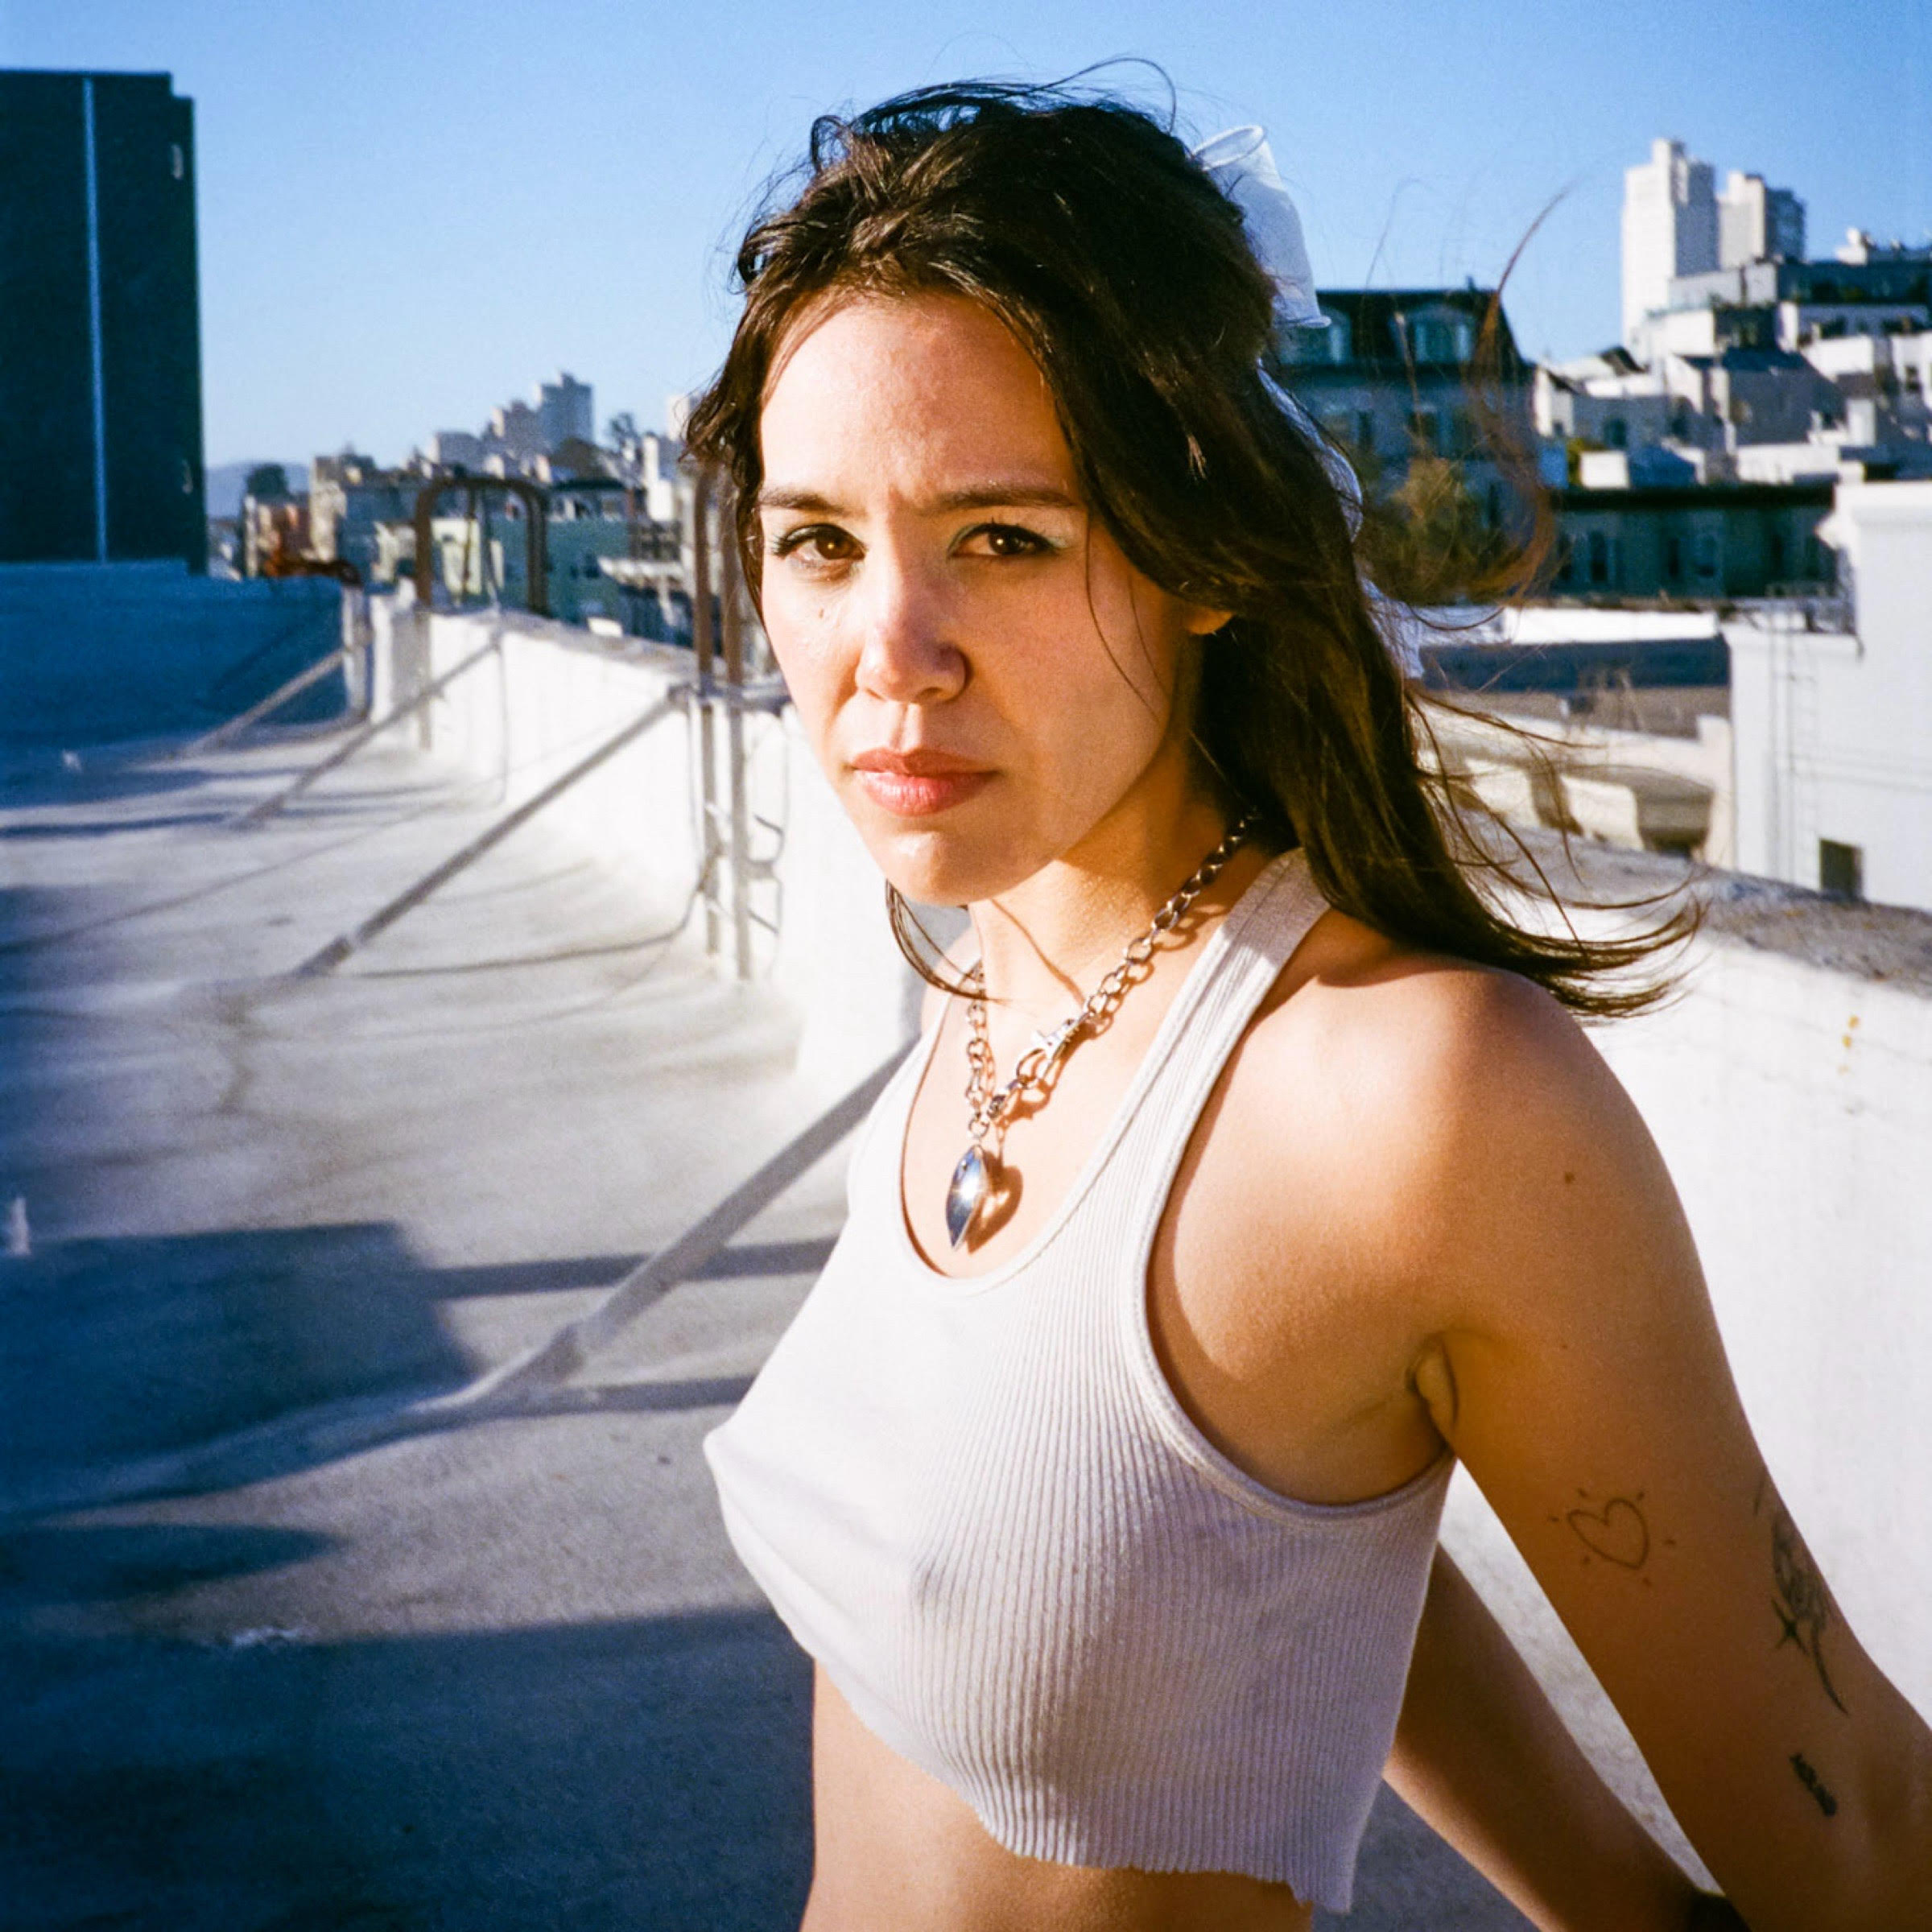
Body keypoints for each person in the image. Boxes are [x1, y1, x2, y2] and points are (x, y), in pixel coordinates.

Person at [696, 82, 1932, 1930]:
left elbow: (1853, 1830)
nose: (889, 657)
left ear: (1203, 550)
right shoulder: (1003, 951)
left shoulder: (1417, 1101)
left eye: (1006, 539)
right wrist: (1606, 1898)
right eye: (817, 543)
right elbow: (1225, 1537)